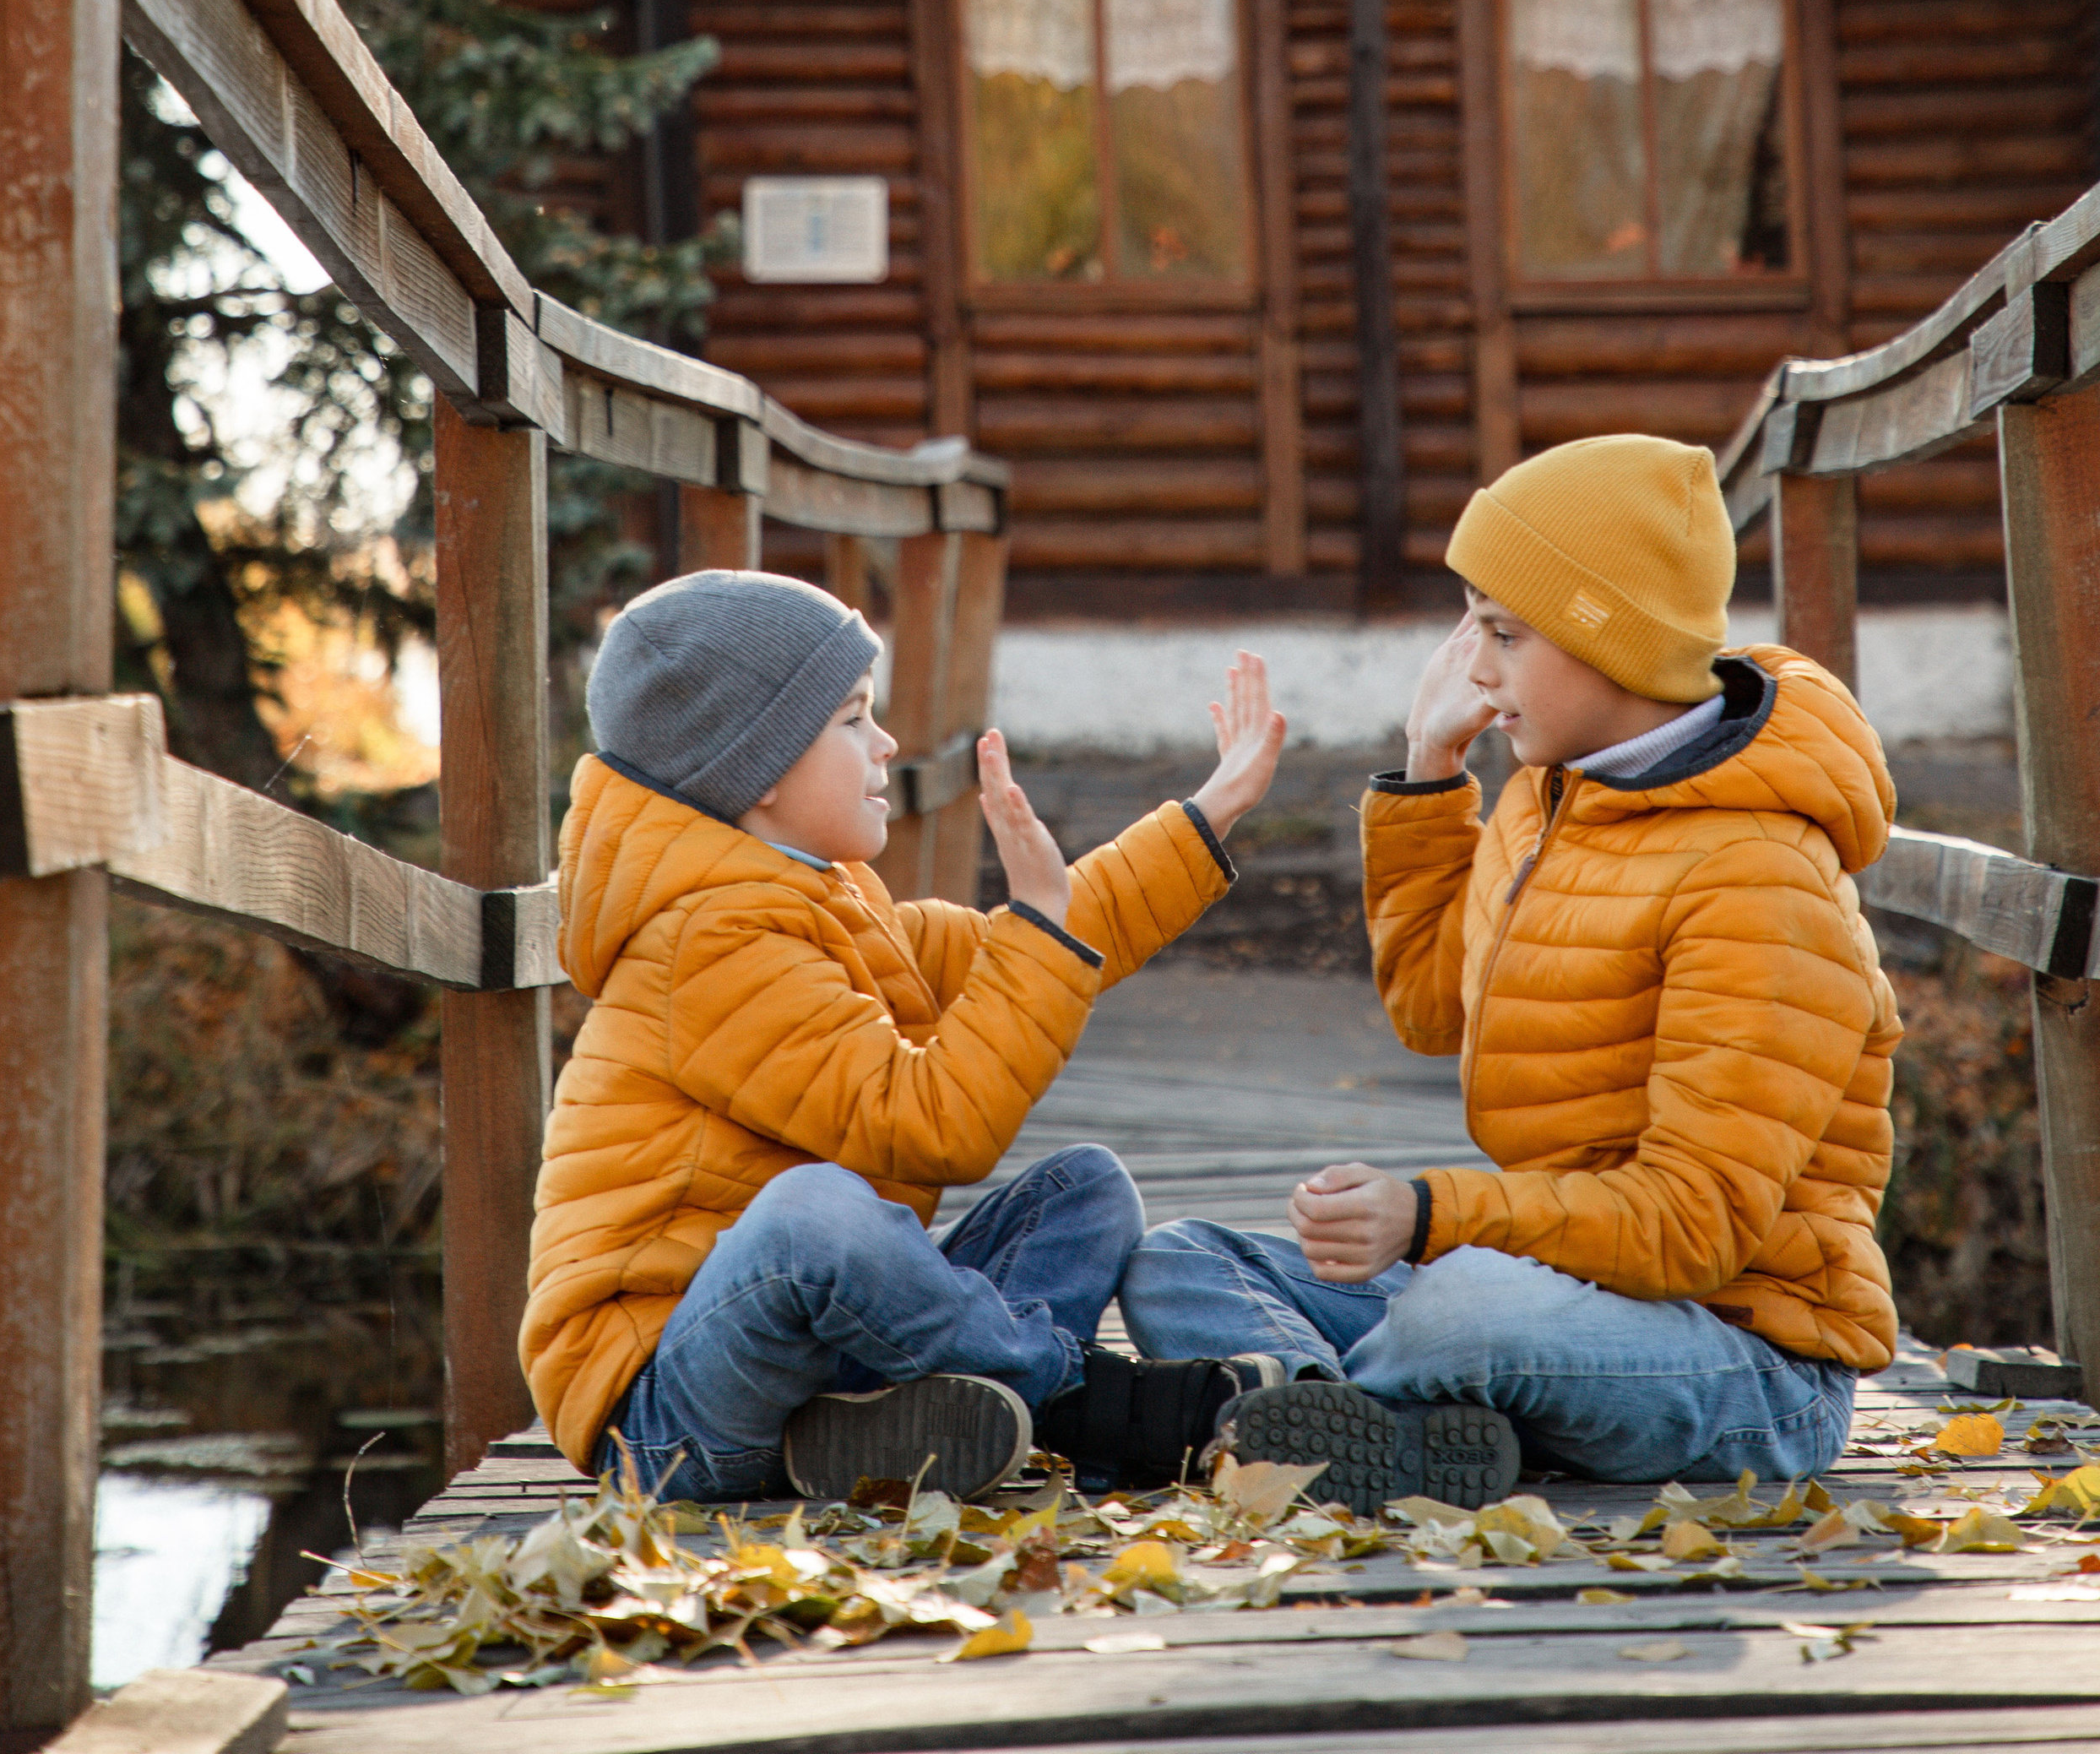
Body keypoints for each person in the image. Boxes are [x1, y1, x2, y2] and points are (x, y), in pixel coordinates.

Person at [1121, 434, 1902, 1500]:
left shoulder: (1759, 880)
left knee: (1462, 1310)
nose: (1474, 670)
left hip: (1746, 1359)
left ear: (1610, 643)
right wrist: (1429, 771)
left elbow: (1691, 1226)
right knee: (1181, 1259)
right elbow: (1430, 1009)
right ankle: (1343, 1422)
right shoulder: (1552, 794)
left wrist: (1427, 1216)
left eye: (1502, 633)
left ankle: (1299, 1415)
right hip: (1559, 1284)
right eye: (1470, 629)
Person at [519, 567, 1289, 1505]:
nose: (886, 742)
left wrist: (1211, 812)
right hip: (669, 1410)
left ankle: (909, 1417)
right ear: (757, 768)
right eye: (852, 719)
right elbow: (932, 1126)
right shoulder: (707, 942)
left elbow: (1039, 940)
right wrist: (1038, 930)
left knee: (1082, 1190)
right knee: (813, 1215)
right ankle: (1078, 1400)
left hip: (809, 1355)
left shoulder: (823, 901)